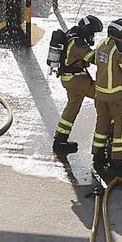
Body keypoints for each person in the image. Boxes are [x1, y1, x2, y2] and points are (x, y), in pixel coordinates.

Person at [51, 14, 101, 157]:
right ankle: (107, 136)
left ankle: (60, 140)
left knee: (72, 107)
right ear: (87, 31)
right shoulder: (78, 43)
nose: (93, 36)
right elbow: (94, 59)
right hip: (77, 79)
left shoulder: (72, 37)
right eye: (92, 33)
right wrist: (110, 54)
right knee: (104, 96)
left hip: (69, 78)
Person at [89, 18, 122, 173]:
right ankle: (118, 158)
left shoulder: (102, 44)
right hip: (115, 95)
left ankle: (98, 154)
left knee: (102, 121)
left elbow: (98, 60)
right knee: (121, 123)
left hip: (100, 93)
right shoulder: (119, 50)